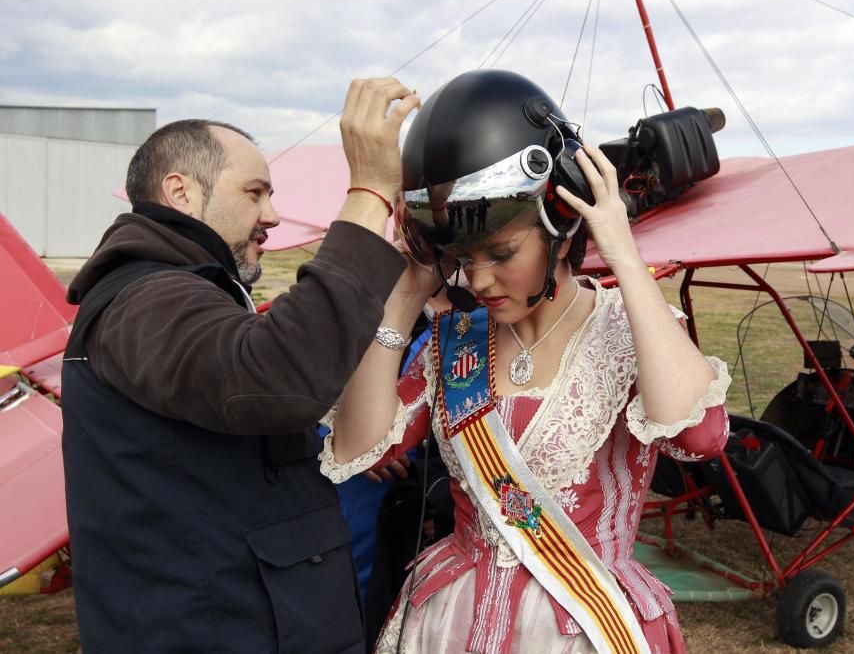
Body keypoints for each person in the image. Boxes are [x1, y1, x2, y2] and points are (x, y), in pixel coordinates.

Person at [318, 70, 731, 653]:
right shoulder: (455, 342)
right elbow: (360, 450)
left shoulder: (627, 329)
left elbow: (700, 436)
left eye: (501, 252)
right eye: (462, 257)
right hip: (453, 622)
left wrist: (622, 252)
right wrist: (405, 295)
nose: (478, 279)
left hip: (581, 627)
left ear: (560, 223)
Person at [60, 77, 419, 653]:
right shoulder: (144, 298)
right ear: (180, 191)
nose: (272, 215)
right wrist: (370, 191)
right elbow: (279, 379)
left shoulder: (178, 292)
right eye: (255, 192)